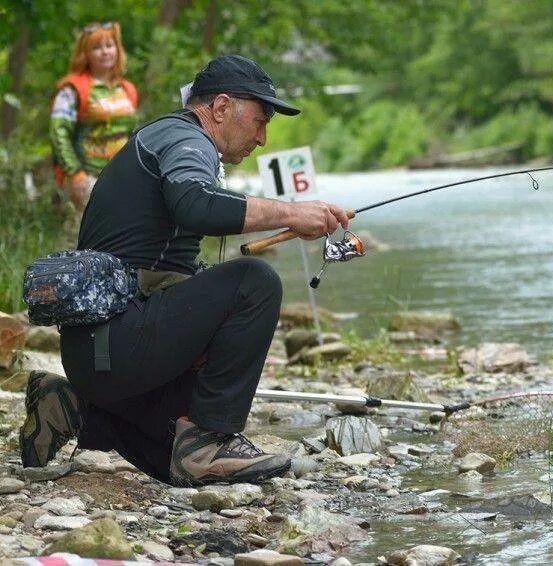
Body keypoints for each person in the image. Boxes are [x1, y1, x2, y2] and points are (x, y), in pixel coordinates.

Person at [20, 55, 349, 486]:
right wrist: (292, 212)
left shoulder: (169, 139)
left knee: (171, 457)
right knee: (255, 281)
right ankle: (208, 440)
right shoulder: (184, 139)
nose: (263, 138)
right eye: (259, 119)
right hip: (117, 344)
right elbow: (196, 204)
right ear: (221, 107)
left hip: (100, 356)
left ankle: (71, 406)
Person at [49, 21, 137, 211]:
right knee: (79, 236)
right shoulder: (72, 88)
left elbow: (130, 134)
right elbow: (59, 133)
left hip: (120, 178)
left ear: (117, 49)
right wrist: (75, 173)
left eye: (109, 45)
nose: (105, 52)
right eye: (97, 47)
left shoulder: (127, 89)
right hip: (86, 176)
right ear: (85, 54)